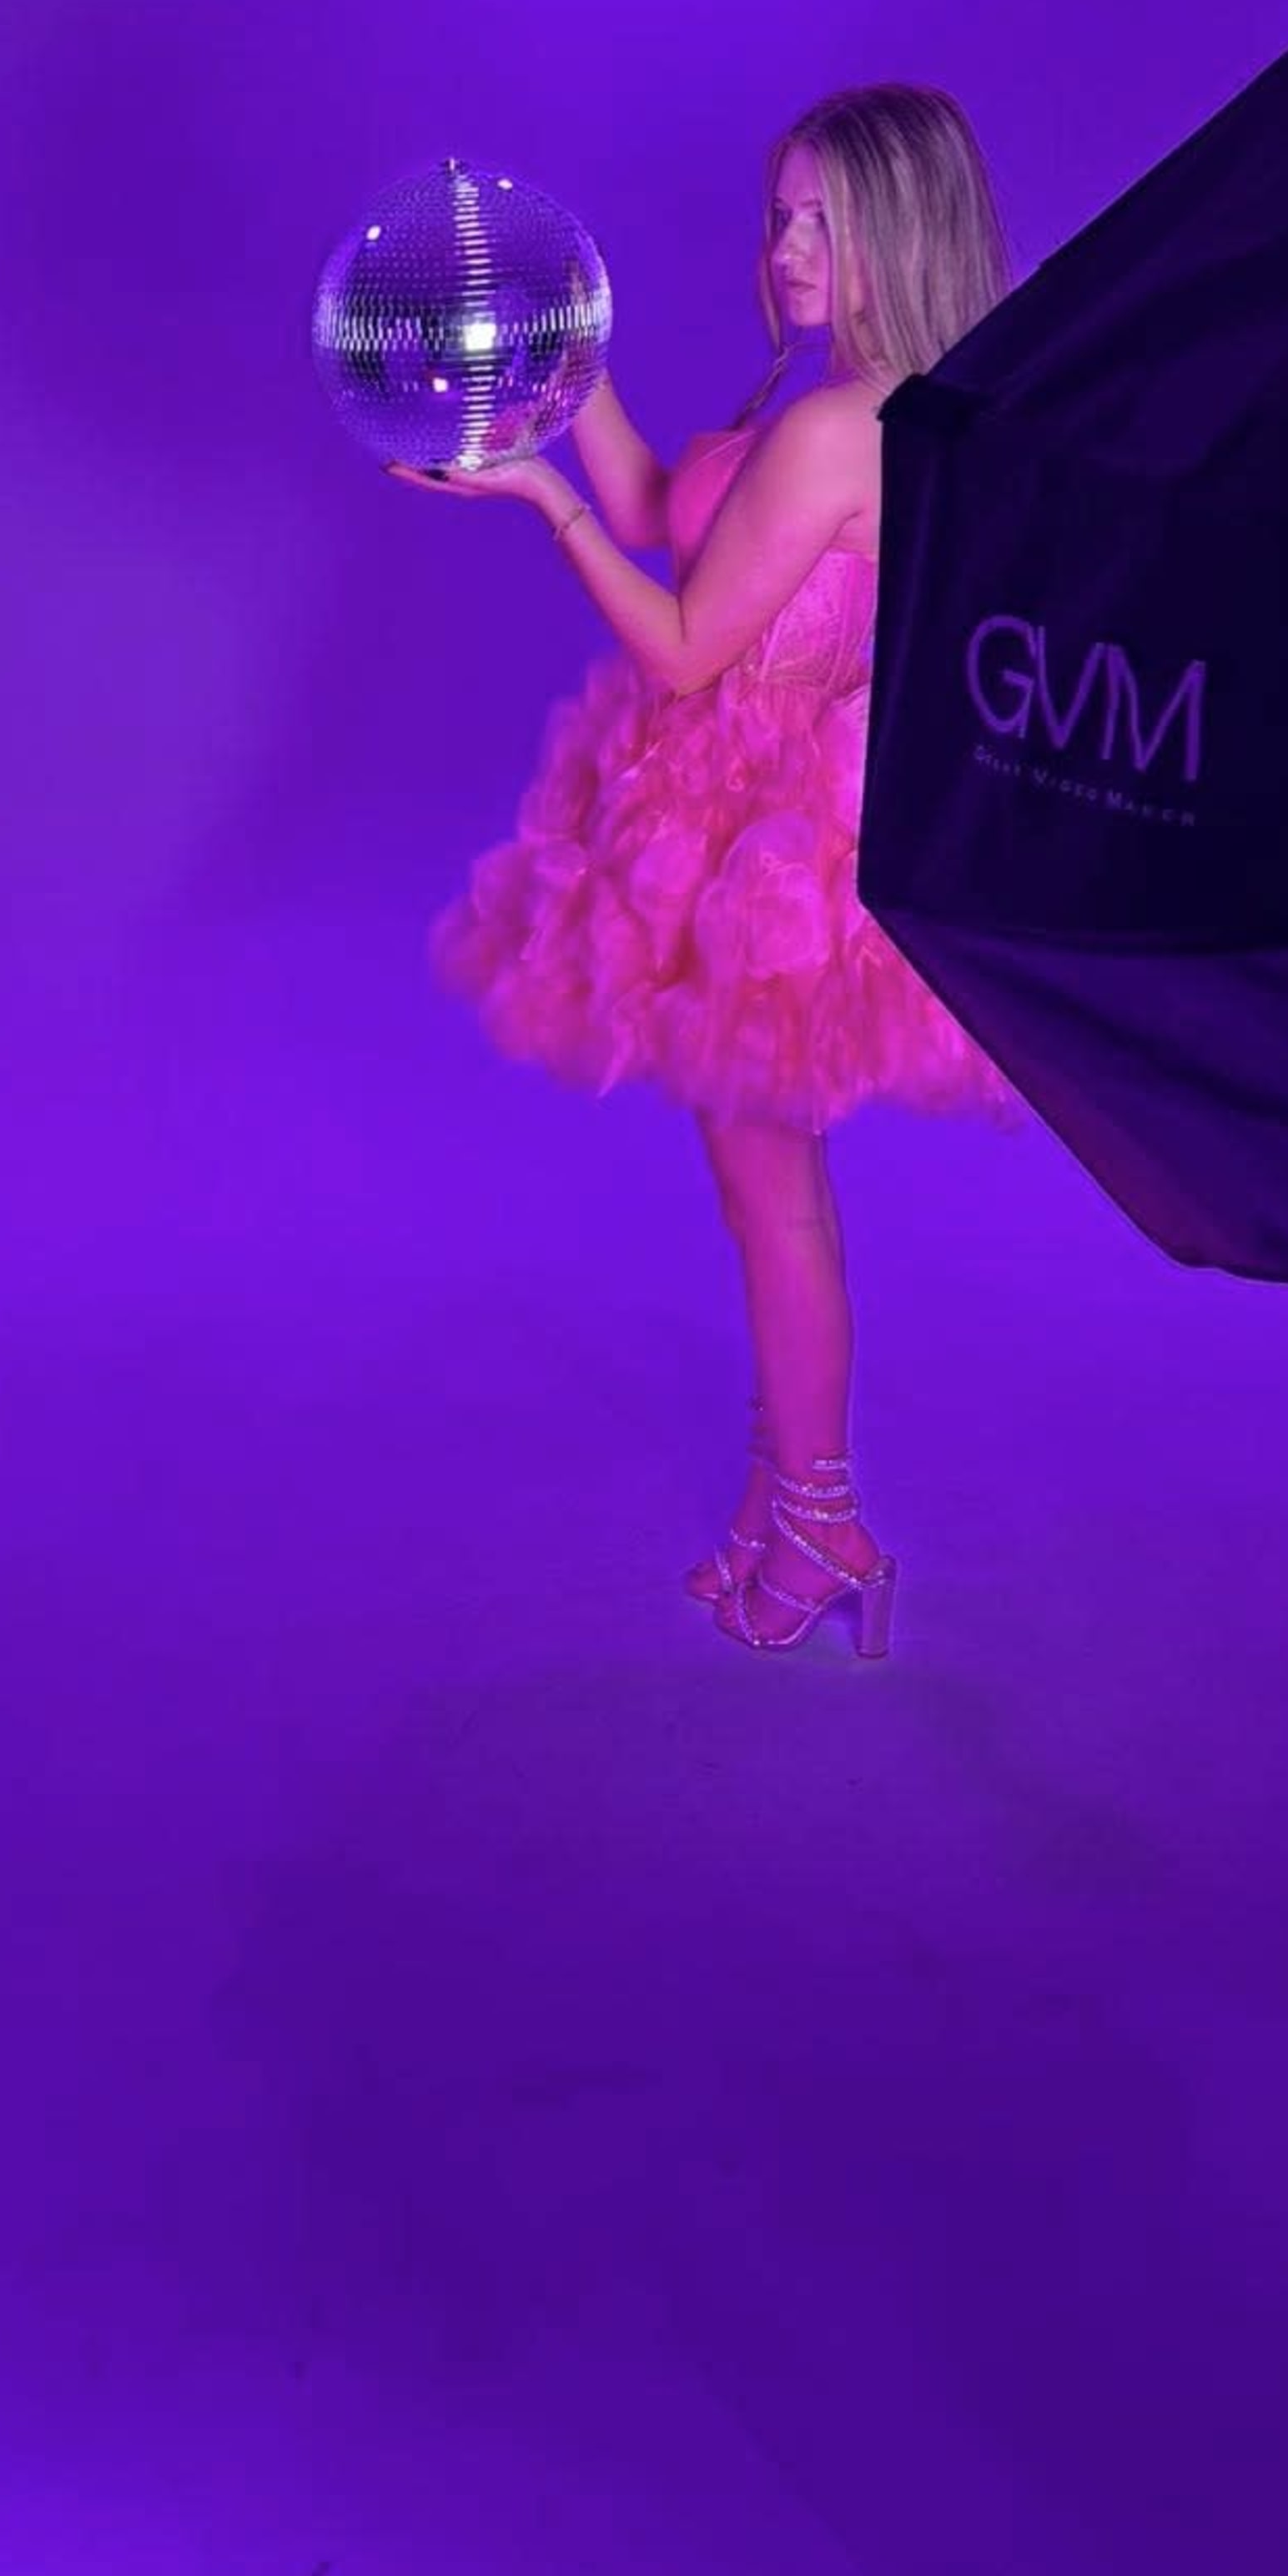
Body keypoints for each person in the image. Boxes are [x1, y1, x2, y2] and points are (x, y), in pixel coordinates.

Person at [405, 88, 1019, 1659]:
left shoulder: (845, 428)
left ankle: (823, 1524)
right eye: (781, 213)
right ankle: (787, 1503)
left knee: (773, 1199)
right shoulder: (815, 407)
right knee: (760, 1191)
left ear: (903, 231)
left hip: (772, 851)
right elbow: (658, 515)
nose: (788, 246)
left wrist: (533, 502)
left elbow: (681, 645)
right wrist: (565, 372)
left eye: (824, 219)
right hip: (723, 821)